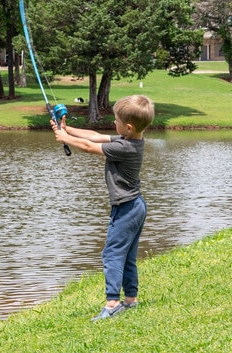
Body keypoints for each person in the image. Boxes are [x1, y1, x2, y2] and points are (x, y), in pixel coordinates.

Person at [51, 95, 155, 321]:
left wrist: (63, 137)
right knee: (126, 255)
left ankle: (112, 303)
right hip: (135, 205)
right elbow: (94, 136)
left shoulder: (125, 147)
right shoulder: (130, 139)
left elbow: (89, 146)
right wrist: (67, 129)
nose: (113, 123)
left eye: (116, 120)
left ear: (128, 126)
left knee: (111, 254)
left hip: (127, 208)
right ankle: (131, 299)